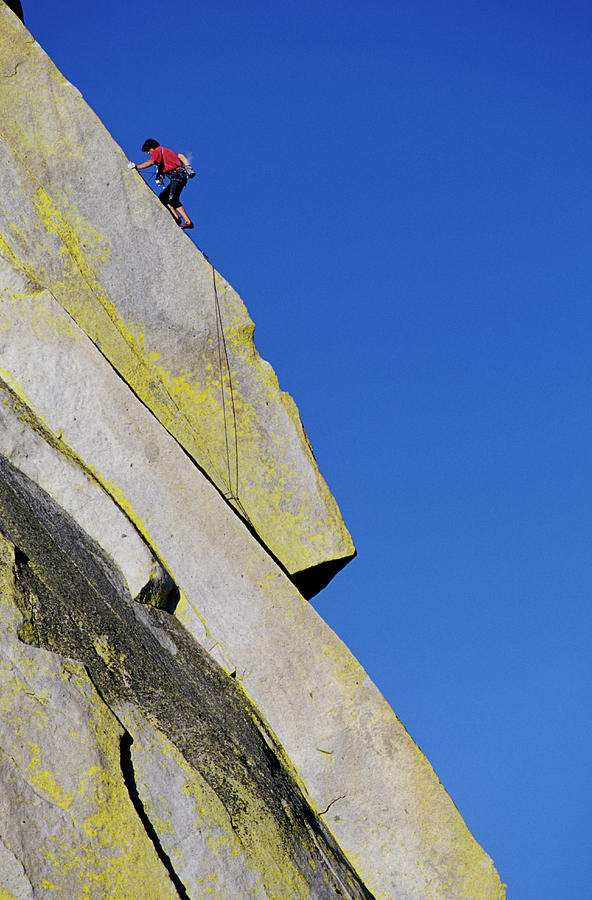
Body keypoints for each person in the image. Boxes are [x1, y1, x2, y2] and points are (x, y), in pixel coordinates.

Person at [129, 139, 193, 229]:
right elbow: (180, 156)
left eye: (148, 150)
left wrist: (137, 167)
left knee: (172, 198)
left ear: (152, 148)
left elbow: (151, 162)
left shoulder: (157, 150)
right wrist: (188, 167)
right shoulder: (165, 151)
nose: (148, 153)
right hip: (179, 176)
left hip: (177, 175)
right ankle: (176, 217)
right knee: (163, 197)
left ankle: (188, 221)